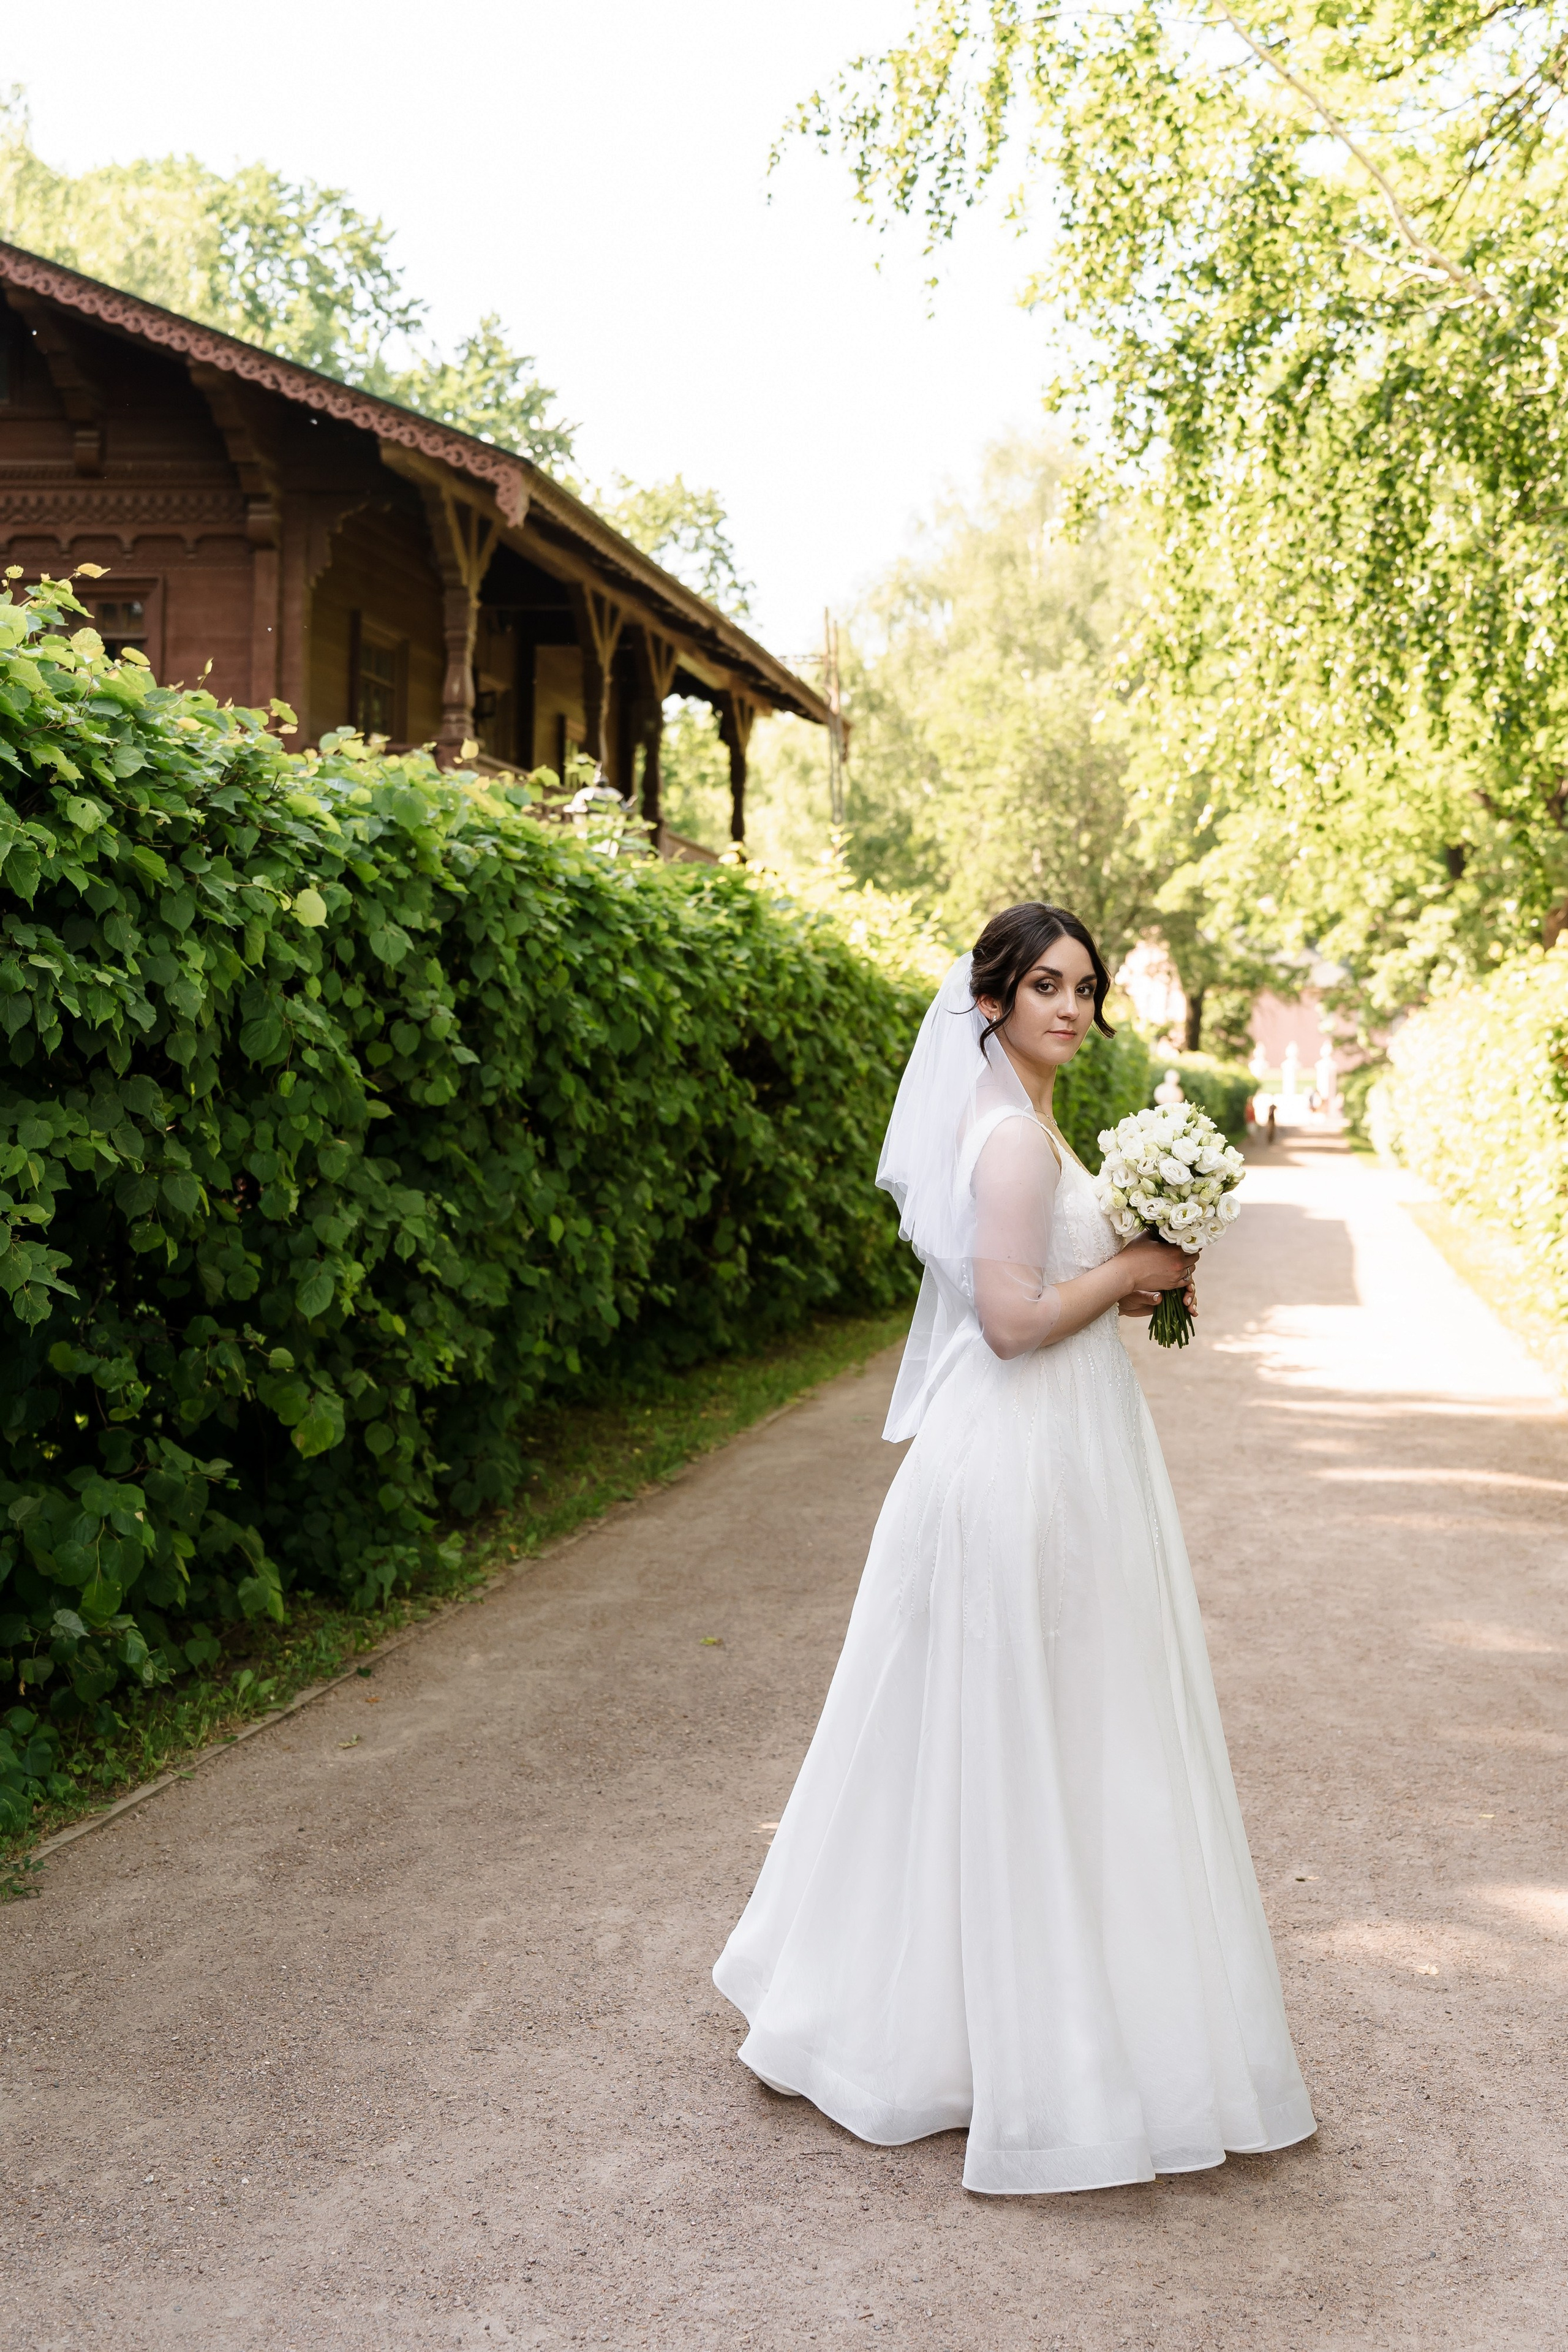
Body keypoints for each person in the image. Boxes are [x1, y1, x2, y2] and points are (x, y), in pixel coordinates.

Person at [714, 902, 1315, 2196]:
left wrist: (1147, 1272)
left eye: (1085, 988)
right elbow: (1005, 1320)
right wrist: (1126, 1269)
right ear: (987, 1002)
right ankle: (970, 2039)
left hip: (1059, 1446)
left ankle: (976, 2014)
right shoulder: (1007, 1143)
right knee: (1019, 1728)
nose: (1069, 1007)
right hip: (1016, 1460)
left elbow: (1054, 1282)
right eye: (1043, 985)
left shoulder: (1031, 1127)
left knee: (1026, 1728)